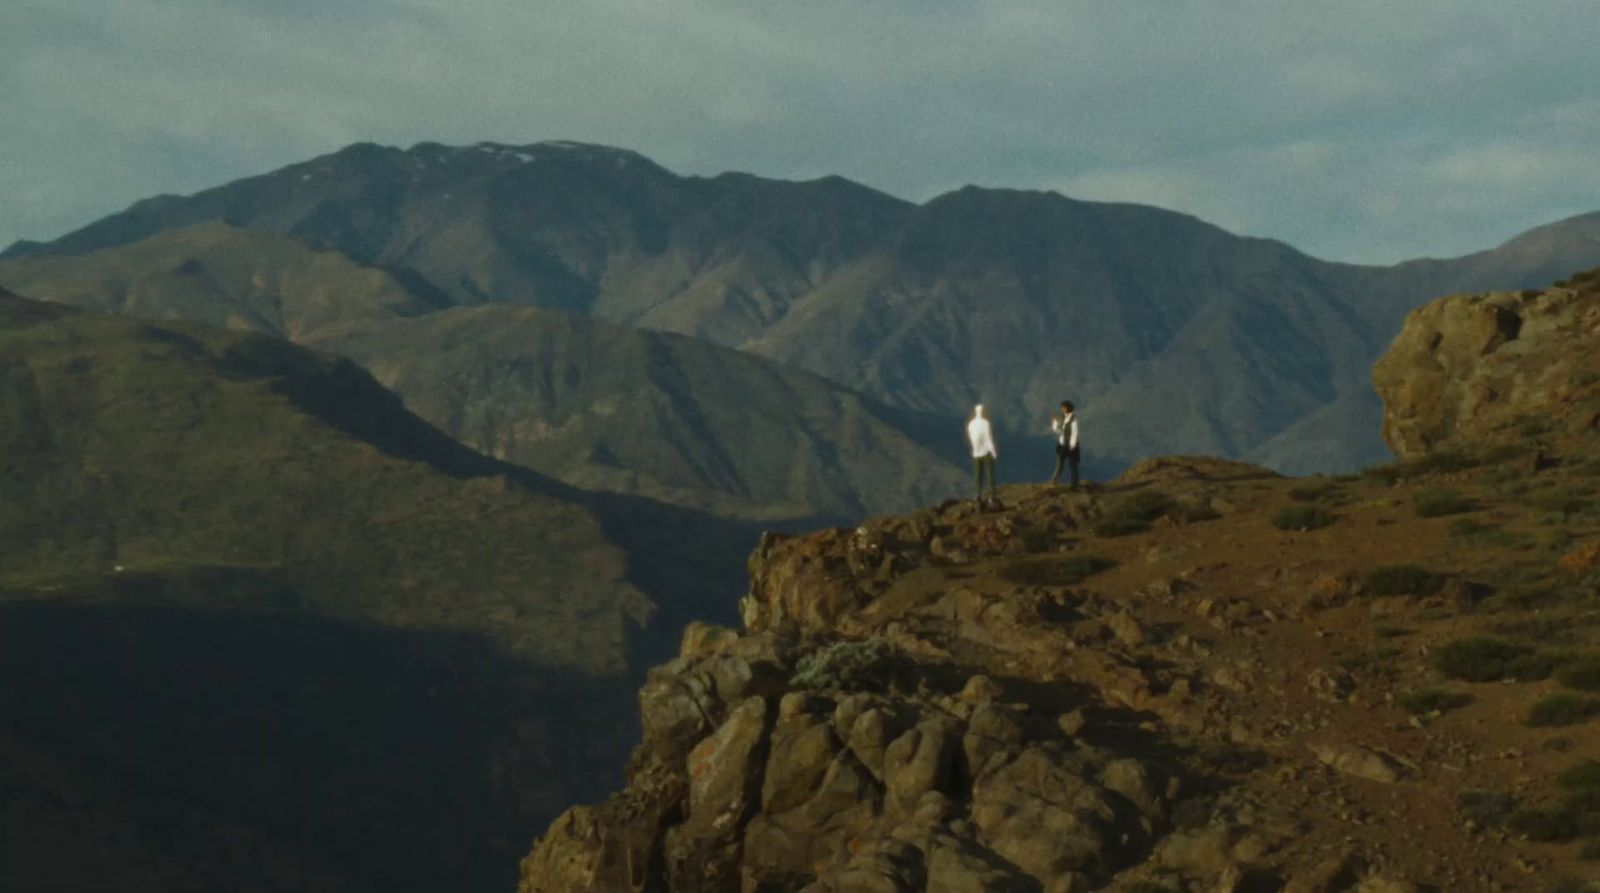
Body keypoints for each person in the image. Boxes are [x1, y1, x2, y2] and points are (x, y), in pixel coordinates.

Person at [966, 404, 998, 503]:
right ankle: (991, 496)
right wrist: (993, 451)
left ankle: (977, 495)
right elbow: (989, 438)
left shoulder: (971, 424)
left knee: (978, 475)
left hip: (976, 452)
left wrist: (975, 448)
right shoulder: (985, 423)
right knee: (990, 475)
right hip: (987, 451)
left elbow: (971, 438)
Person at [1049, 400, 1081, 489]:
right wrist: (1055, 424)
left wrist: (1072, 446)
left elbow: (1075, 433)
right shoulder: (1064, 418)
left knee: (1072, 465)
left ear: (1067, 408)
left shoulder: (1073, 419)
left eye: (1063, 407)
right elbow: (1060, 432)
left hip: (1070, 446)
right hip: (1063, 445)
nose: (1062, 409)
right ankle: (1054, 481)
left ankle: (1074, 484)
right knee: (1060, 464)